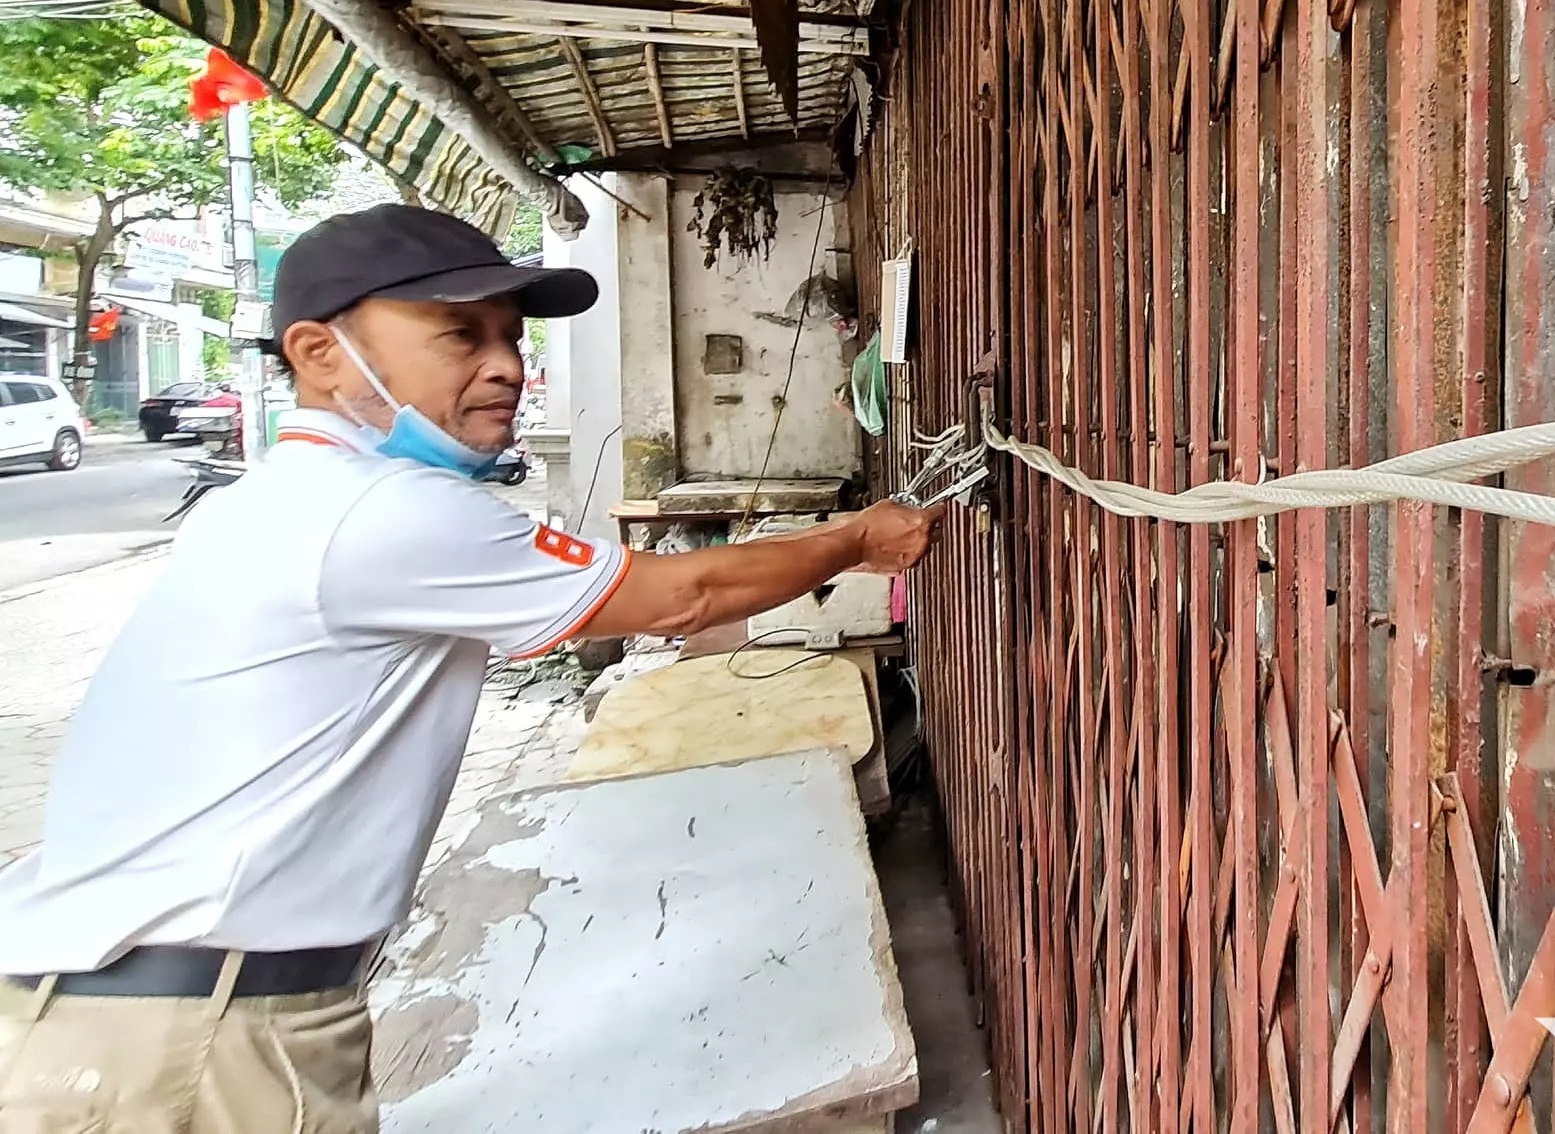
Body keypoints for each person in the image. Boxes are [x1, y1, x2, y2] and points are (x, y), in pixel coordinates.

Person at [0, 205, 945, 1131]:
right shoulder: (382, 511)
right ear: (318, 353)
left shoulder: (296, 497)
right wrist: (857, 537)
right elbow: (679, 599)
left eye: (509, 334)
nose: (504, 364)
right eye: (458, 335)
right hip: (183, 1041)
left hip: (140, 1010)